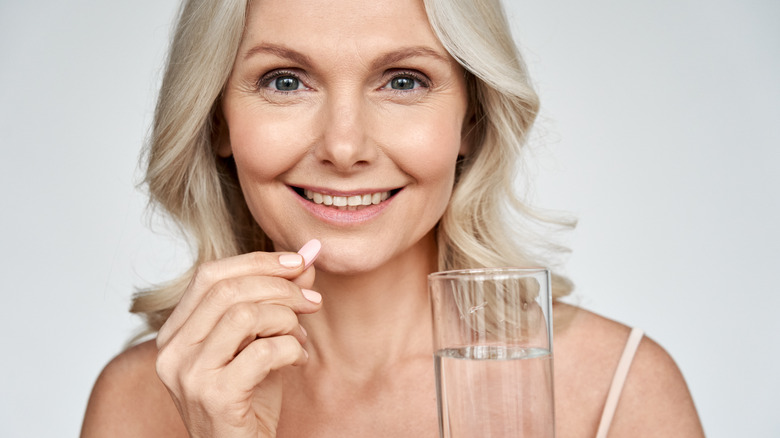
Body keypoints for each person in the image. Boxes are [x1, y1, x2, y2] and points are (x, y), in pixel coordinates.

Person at [81, 0, 706, 436]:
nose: (345, 146)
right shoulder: (140, 403)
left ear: (471, 120)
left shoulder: (618, 390)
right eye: (285, 81)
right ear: (217, 120)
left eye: (404, 81)